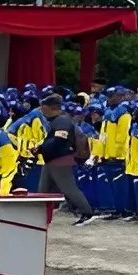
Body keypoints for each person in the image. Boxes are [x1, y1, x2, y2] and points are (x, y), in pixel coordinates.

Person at [33, 91, 95, 226]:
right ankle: (39, 217)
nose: (40, 110)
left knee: (69, 189)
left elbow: (59, 140)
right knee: (43, 190)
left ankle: (88, 212)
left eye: (42, 107)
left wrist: (42, 147)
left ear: (50, 108)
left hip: (60, 160)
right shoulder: (57, 120)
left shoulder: (62, 120)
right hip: (51, 160)